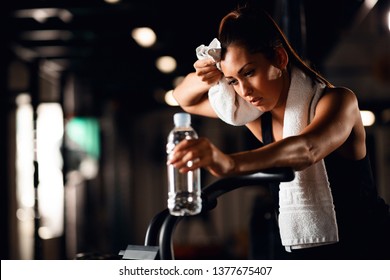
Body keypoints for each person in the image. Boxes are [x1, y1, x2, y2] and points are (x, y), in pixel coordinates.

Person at [169, 4, 390, 260]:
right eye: (233, 81)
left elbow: (307, 149)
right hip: (307, 257)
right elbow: (184, 99)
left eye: (249, 72)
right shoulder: (256, 117)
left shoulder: (338, 101)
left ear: (280, 59)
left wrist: (229, 163)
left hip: (370, 250)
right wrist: (205, 74)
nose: (244, 91)